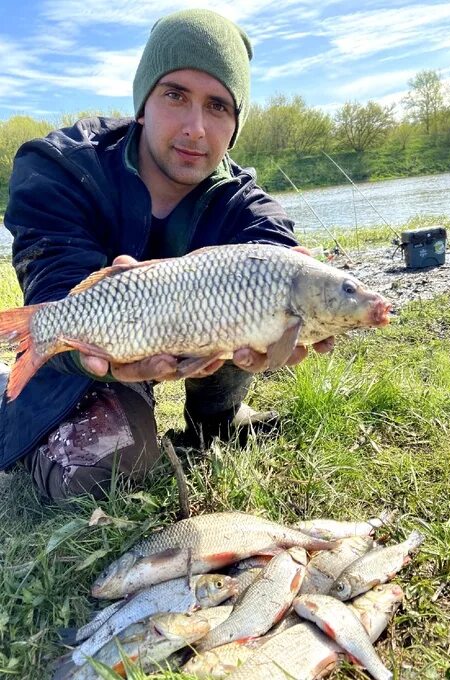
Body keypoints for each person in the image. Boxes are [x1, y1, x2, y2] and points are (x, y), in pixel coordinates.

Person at [0, 9, 333, 503]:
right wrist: (107, 364)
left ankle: (215, 421)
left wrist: (300, 308)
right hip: (99, 349)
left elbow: (280, 256)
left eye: (218, 106)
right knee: (104, 473)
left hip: (195, 342)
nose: (196, 128)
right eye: (175, 95)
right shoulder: (63, 168)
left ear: (235, 124)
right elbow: (55, 291)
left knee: (250, 307)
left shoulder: (245, 205)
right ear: (143, 104)